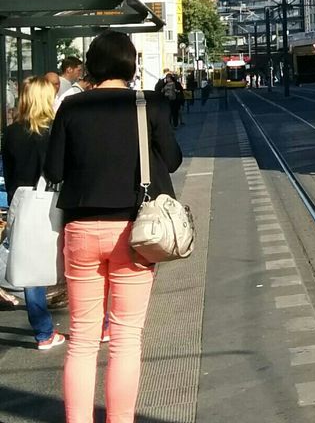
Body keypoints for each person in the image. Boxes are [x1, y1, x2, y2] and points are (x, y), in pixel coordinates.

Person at [45, 30, 183, 423]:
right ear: (130, 64)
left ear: (92, 63)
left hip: (81, 231)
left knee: (83, 341)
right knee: (125, 339)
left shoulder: (71, 109)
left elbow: (54, 170)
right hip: (135, 233)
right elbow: (172, 160)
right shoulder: (148, 105)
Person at [1, 76, 65, 351]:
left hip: (22, 203)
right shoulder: (53, 132)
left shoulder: (12, 133)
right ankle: (94, 324)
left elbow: (10, 172)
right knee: (71, 259)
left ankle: (43, 332)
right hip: (53, 202)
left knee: (30, 265)